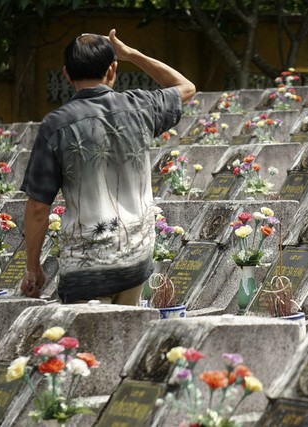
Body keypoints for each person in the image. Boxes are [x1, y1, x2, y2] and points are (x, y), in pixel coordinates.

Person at [20, 29, 195, 304]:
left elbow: (39, 207)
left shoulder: (56, 125)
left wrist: (33, 267)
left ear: (66, 74)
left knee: (85, 345)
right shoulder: (140, 107)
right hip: (136, 260)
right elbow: (186, 87)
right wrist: (132, 55)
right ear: (112, 69)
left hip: (86, 267)